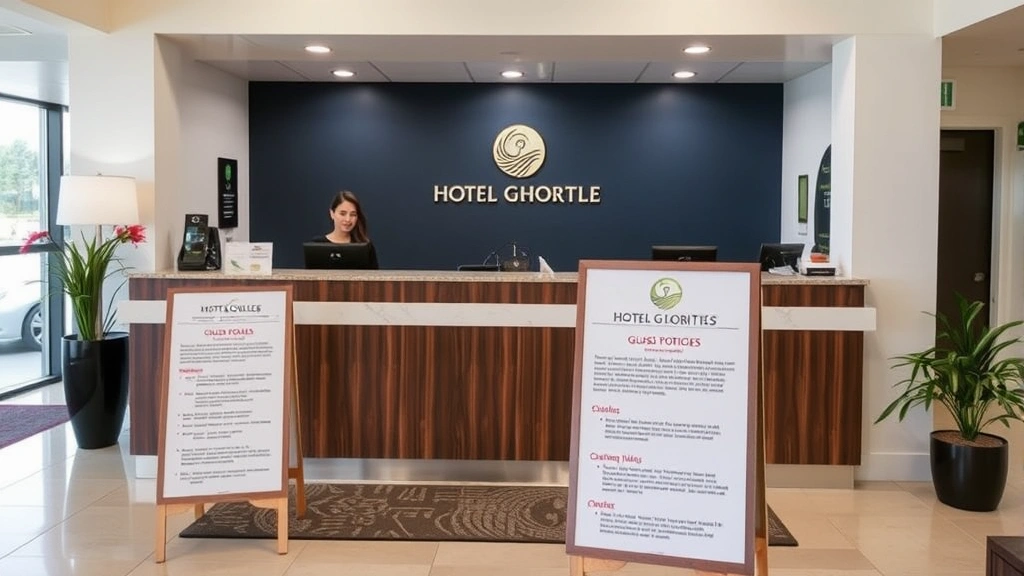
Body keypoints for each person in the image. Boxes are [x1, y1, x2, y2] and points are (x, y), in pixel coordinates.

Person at [310, 190, 380, 269]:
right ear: (332, 213)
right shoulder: (317, 245)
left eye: (353, 214)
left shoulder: (366, 246)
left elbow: (374, 279)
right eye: (342, 214)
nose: (347, 219)